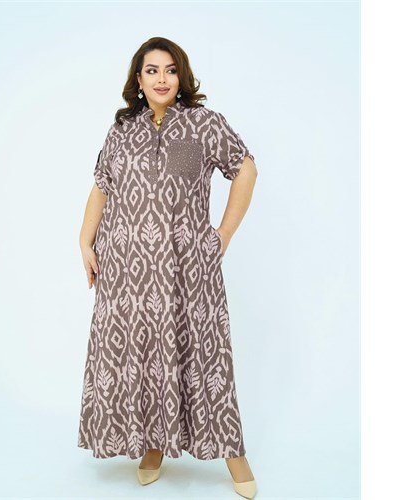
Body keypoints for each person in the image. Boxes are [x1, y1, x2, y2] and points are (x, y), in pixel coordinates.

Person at [77, 37, 258, 499]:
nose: (162, 79)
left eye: (170, 70)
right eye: (152, 70)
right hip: (127, 268)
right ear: (138, 80)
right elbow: (102, 186)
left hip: (186, 267)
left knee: (203, 354)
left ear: (182, 76)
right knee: (142, 354)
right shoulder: (122, 131)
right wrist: (85, 241)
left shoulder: (203, 123)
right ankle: (154, 445)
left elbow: (245, 169)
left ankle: (234, 454)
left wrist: (223, 233)